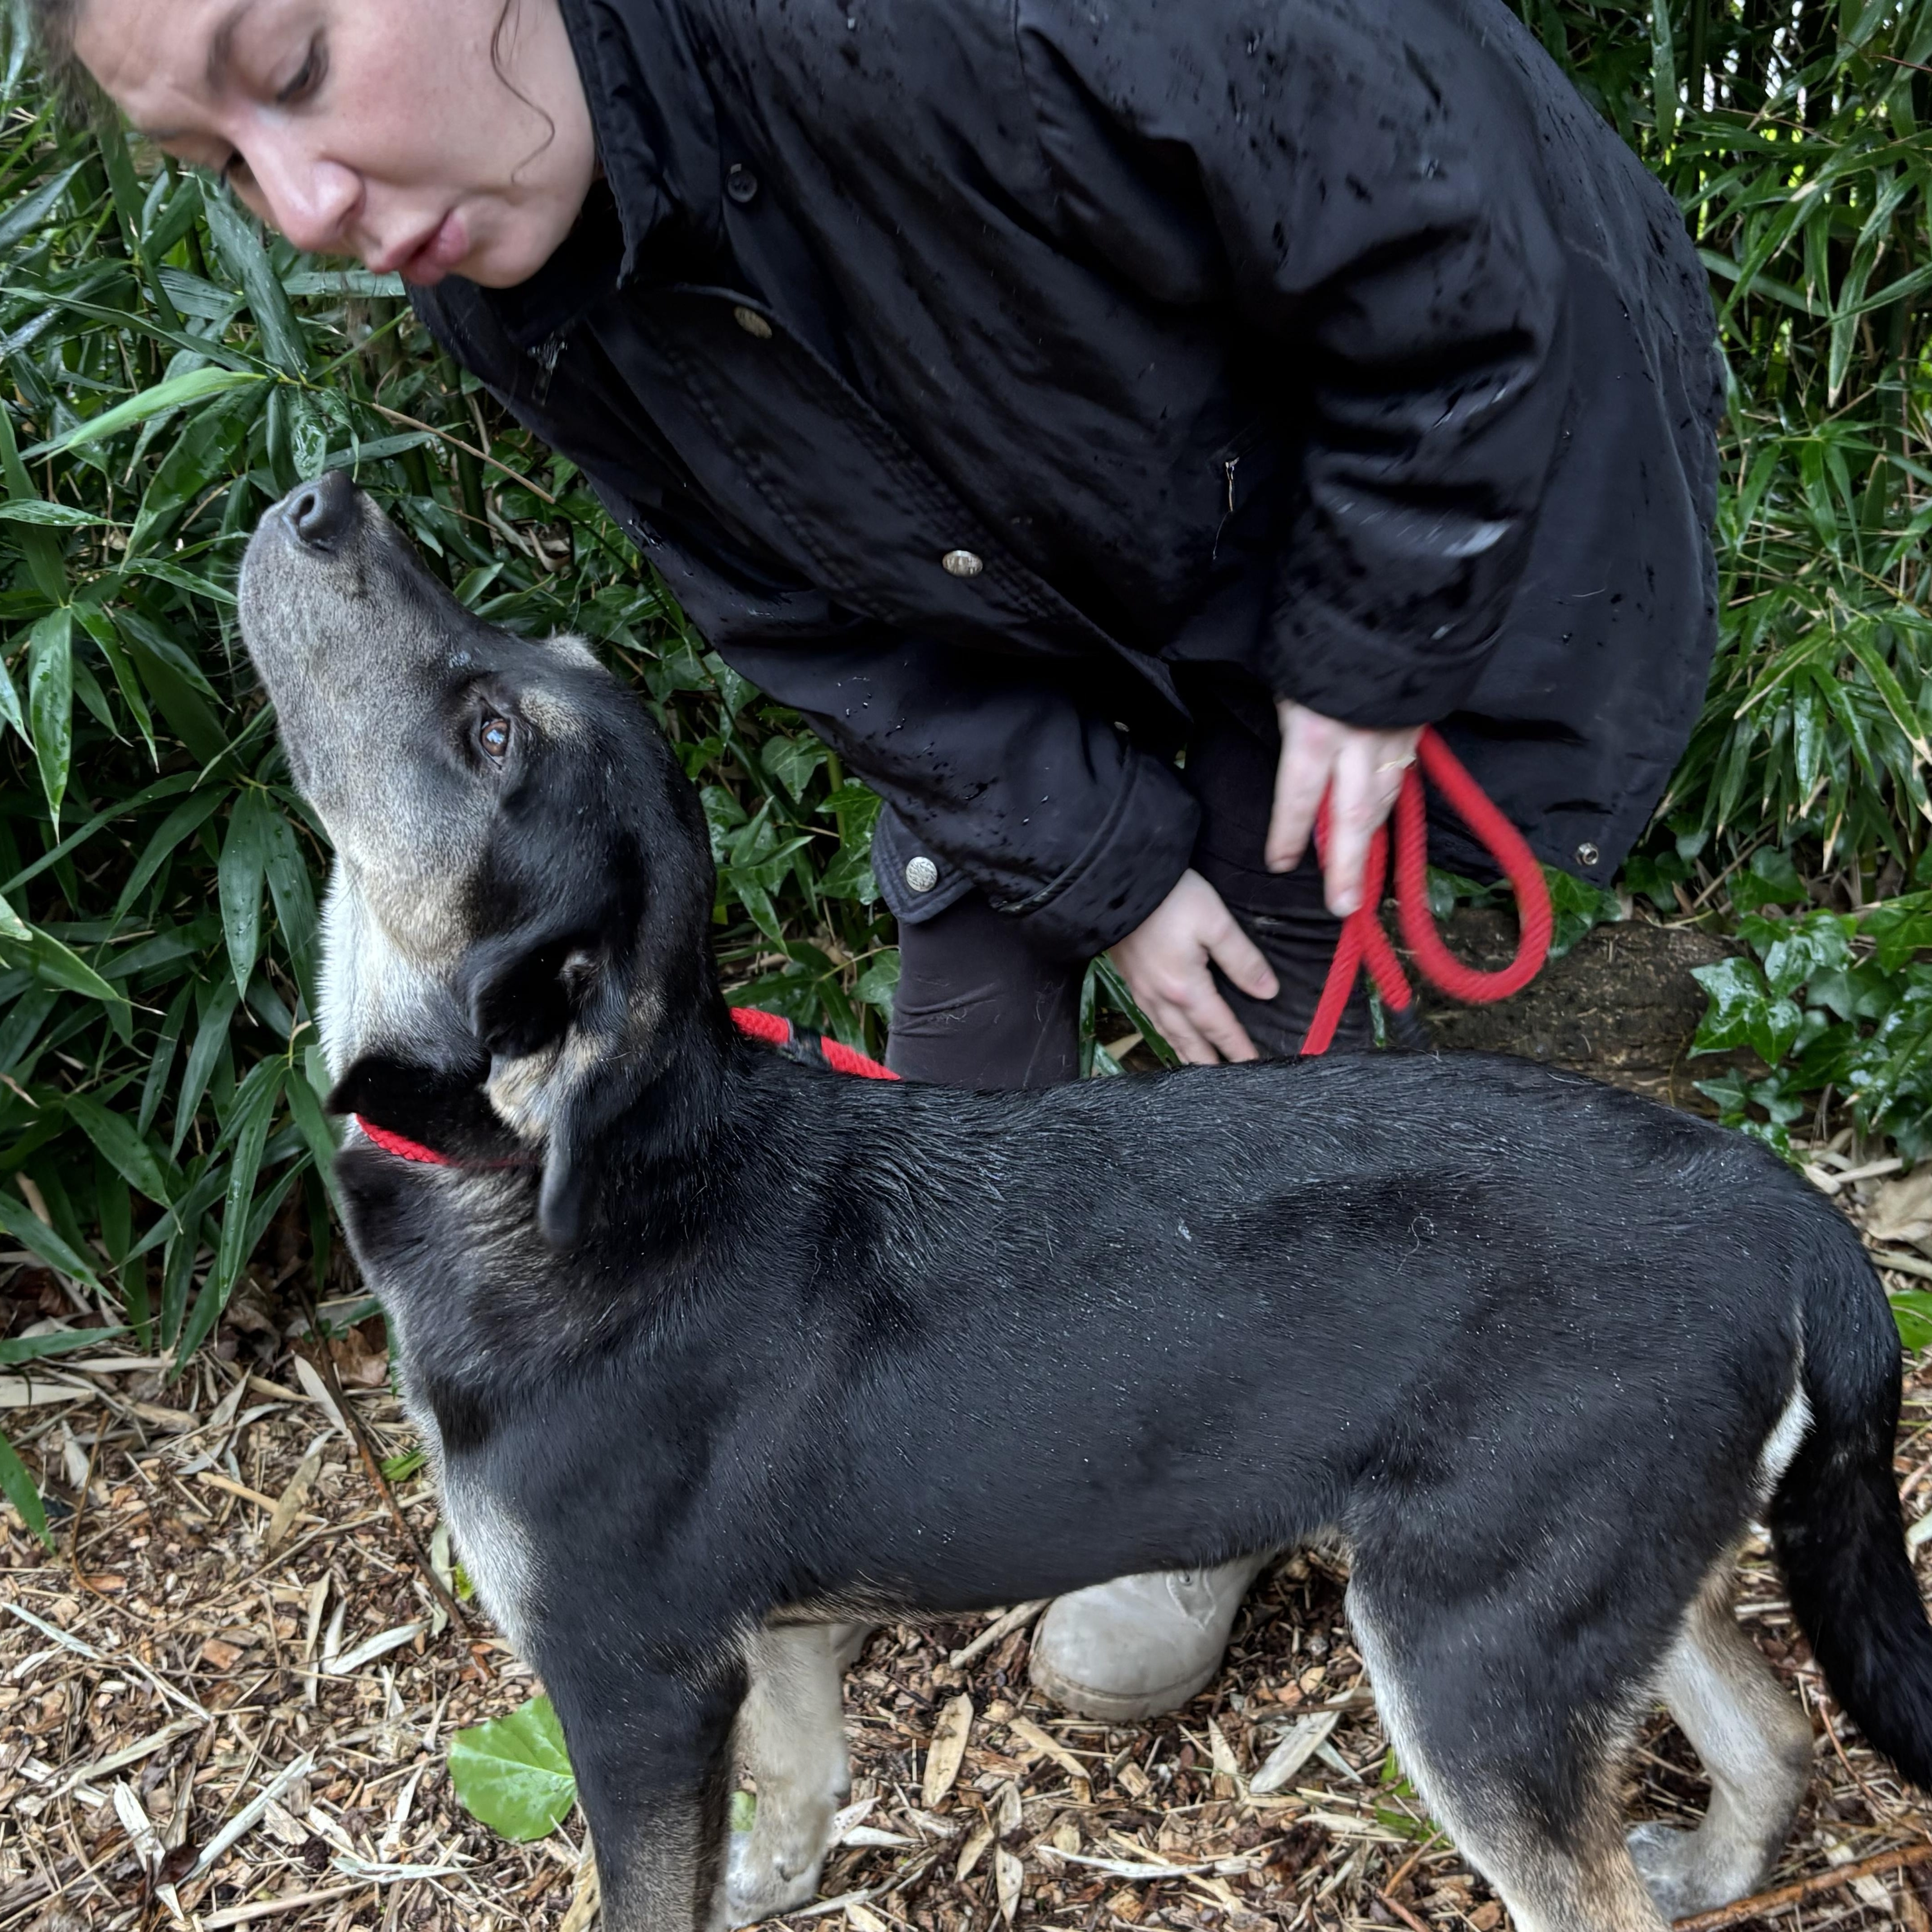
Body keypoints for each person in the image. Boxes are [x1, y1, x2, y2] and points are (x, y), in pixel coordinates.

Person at [46, 0, 1724, 1721]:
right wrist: (1109, 871)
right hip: (989, 584)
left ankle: (1220, 1464)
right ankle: (814, 1482)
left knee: (1269, 1007)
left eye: (298, 68)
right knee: (956, 1075)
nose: (304, 207)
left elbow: (1438, 241)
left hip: (1369, 476)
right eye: (216, 164)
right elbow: (798, 613)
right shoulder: (490, 252)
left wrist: (1375, 639)